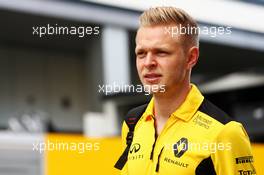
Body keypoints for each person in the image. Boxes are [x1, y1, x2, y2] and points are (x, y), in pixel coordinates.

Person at [115, 7, 256, 175]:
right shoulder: (132, 122)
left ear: (191, 58)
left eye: (161, 52)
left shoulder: (225, 133)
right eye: (141, 53)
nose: (148, 62)